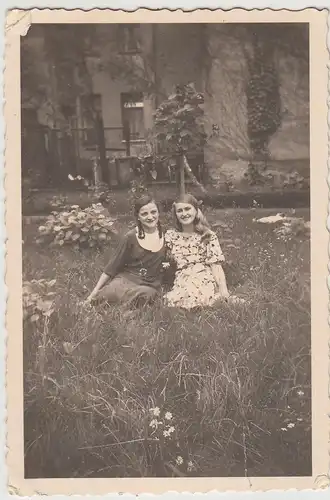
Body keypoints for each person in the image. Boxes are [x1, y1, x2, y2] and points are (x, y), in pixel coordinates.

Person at [164, 193, 243, 310]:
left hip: (204, 276)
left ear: (196, 211)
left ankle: (205, 304)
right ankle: (196, 307)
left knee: (201, 292)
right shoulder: (171, 235)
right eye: (179, 211)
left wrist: (224, 291)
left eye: (187, 209)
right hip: (183, 277)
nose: (184, 214)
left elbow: (216, 266)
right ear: (175, 214)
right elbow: (160, 256)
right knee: (182, 294)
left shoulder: (207, 235)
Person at [85, 195, 166, 308]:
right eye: (144, 214)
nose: (150, 217)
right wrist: (93, 293)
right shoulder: (131, 237)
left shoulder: (166, 236)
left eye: (153, 212)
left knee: (147, 294)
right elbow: (112, 267)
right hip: (127, 279)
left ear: (158, 213)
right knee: (108, 295)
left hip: (149, 284)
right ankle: (117, 303)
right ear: (138, 217)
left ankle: (124, 308)